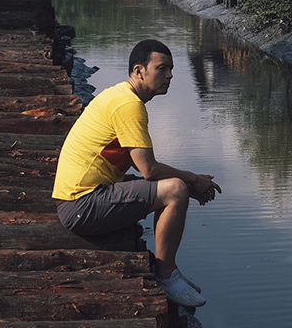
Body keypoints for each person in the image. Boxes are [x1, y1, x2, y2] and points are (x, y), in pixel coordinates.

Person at [52, 38, 221, 308]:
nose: (170, 75)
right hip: (81, 206)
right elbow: (148, 169)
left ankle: (170, 271)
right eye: (162, 68)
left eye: (171, 69)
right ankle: (166, 276)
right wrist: (191, 179)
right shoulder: (128, 105)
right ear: (139, 71)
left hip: (81, 200)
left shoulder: (120, 95)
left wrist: (190, 186)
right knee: (175, 190)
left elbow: (137, 163)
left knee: (175, 187)